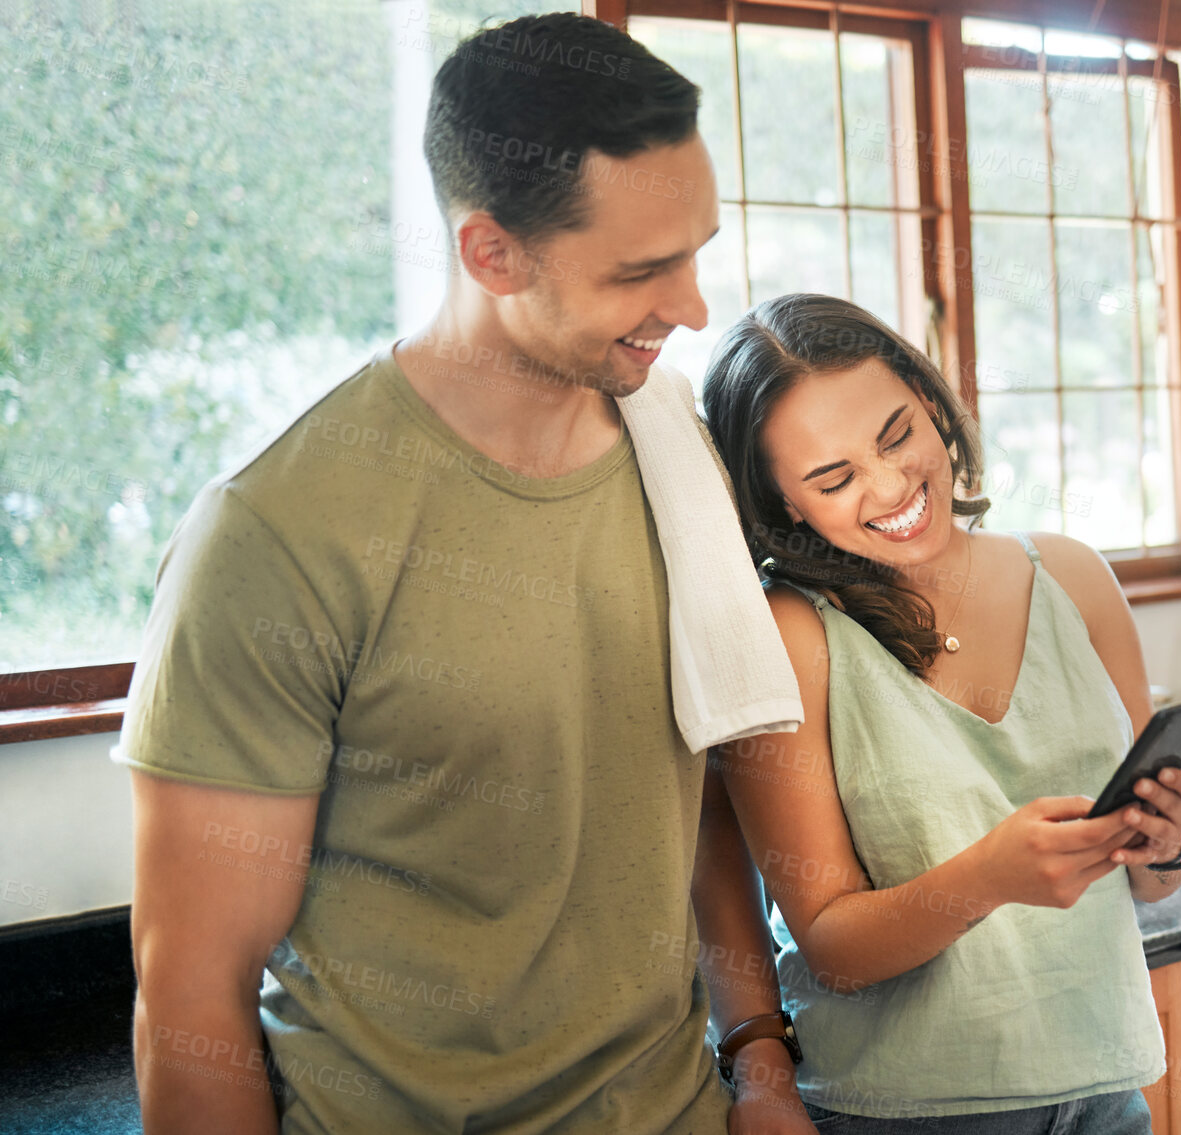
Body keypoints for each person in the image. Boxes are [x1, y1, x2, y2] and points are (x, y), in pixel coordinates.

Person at [118, 14, 813, 1134]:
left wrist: (759, 1059)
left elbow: (697, 802)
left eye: (696, 251)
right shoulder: (275, 536)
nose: (691, 308)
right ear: (490, 253)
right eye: (640, 270)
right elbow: (190, 997)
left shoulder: (681, 452)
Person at [701, 293, 1181, 1132]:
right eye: (834, 478)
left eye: (896, 435)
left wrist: (1169, 837)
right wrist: (987, 878)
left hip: (1107, 1091)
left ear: (932, 405)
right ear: (785, 504)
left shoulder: (1075, 578)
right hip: (907, 1112)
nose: (892, 485)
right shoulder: (793, 634)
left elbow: (1153, 883)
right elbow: (831, 947)